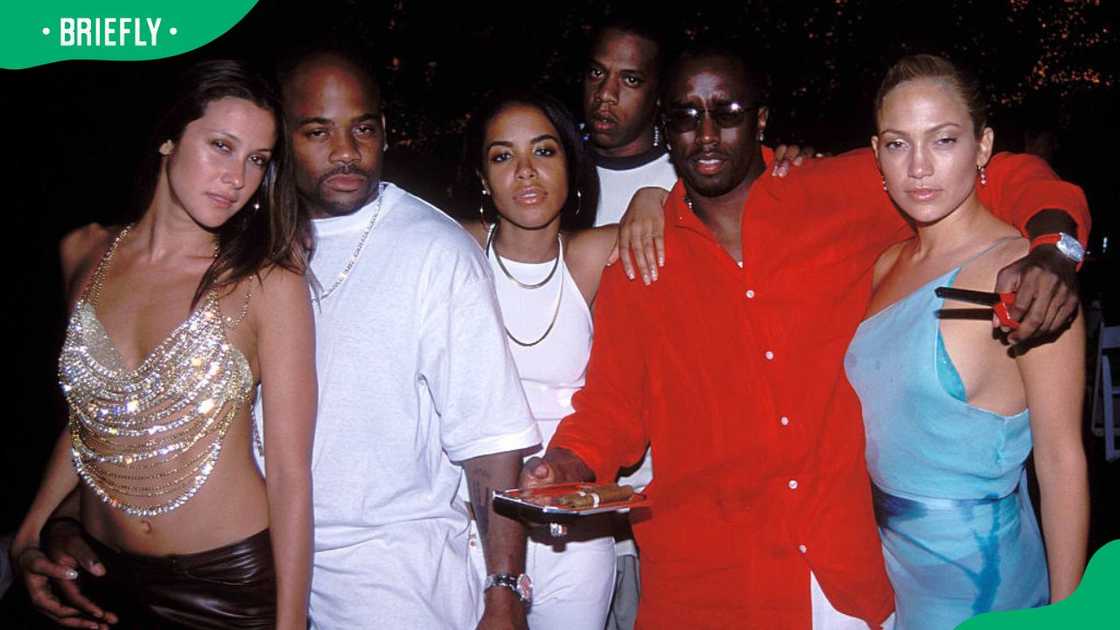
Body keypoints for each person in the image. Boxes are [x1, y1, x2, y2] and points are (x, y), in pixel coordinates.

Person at [523, 46, 1089, 629]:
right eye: (687, 117)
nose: (708, 133)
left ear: (762, 120)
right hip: (706, 588)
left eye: (729, 111)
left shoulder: (836, 195)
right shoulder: (643, 259)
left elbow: (1004, 177)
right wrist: (567, 462)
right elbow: (611, 406)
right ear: (666, 130)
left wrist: (1056, 249)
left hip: (847, 581)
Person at [20, 49, 543, 630]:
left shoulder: (416, 254)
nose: (345, 151)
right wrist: (46, 526)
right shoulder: (203, 248)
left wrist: (504, 591)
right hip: (167, 568)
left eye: (363, 128)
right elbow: (106, 414)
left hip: (380, 577)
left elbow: (489, 439)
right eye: (317, 131)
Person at [9, 59, 316, 630]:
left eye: (256, 160)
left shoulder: (267, 281)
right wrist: (28, 533)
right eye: (221, 146)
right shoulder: (82, 252)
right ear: (169, 139)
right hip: (100, 579)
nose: (237, 177)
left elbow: (292, 473)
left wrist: (291, 625)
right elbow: (93, 419)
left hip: (224, 586)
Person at [844, 54, 1088, 630]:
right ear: (878, 154)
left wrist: (1072, 616)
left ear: (983, 147)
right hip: (892, 576)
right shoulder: (884, 267)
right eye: (900, 145)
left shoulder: (1029, 274)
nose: (920, 167)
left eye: (944, 140)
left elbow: (1061, 461)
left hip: (987, 585)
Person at [456, 90, 617, 629]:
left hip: (570, 530)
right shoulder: (452, 249)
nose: (526, 172)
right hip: (467, 526)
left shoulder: (589, 256)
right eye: (503, 156)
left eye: (544, 152)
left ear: (571, 164)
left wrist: (646, 198)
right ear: (482, 176)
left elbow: (696, 215)